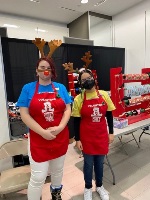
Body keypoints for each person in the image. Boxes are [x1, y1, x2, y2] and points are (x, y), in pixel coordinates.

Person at [17, 57, 72, 200]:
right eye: (42, 67)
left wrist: (60, 127)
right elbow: (24, 114)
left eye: (48, 67)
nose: (45, 70)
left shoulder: (61, 87)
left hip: (59, 137)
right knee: (38, 177)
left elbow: (67, 109)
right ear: (36, 70)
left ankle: (56, 194)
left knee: (58, 170)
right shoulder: (28, 88)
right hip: (38, 140)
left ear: (52, 70)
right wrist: (42, 132)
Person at [71, 69, 115, 200]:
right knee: (88, 164)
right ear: (80, 83)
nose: (87, 81)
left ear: (93, 78)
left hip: (101, 135)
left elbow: (109, 114)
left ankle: (100, 186)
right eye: (83, 80)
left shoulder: (103, 95)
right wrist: (77, 139)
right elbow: (76, 121)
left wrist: (111, 133)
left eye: (88, 78)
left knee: (100, 163)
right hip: (87, 138)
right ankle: (88, 188)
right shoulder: (79, 99)